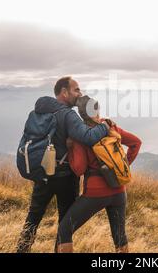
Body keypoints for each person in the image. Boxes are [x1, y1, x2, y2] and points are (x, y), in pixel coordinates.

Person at [16, 77, 112, 253]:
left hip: (43, 172)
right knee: (65, 224)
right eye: (76, 90)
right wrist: (105, 125)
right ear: (64, 92)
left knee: (33, 217)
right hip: (65, 177)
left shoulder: (40, 110)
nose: (80, 93)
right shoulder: (68, 114)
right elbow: (89, 137)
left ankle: (21, 250)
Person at [56, 95, 142, 253]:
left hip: (95, 194)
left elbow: (79, 169)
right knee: (120, 236)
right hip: (119, 191)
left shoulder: (81, 135)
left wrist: (70, 149)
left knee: (64, 230)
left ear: (81, 114)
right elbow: (136, 143)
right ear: (97, 109)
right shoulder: (111, 126)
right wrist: (121, 167)